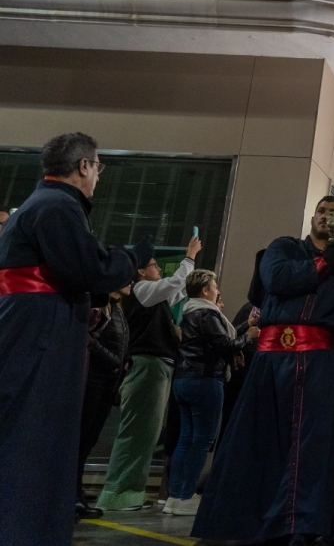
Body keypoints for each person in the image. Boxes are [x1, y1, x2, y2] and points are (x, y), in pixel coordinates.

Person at [193, 196, 334, 546]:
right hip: (271, 360)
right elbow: (278, 278)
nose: (328, 218)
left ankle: (304, 524)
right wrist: (327, 262)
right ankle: (249, 518)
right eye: (323, 212)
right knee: (261, 438)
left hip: (320, 359)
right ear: (312, 218)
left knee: (313, 446)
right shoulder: (284, 247)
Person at [0, 132, 147, 546]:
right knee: (34, 431)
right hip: (41, 332)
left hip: (39, 325)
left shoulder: (43, 204)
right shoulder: (57, 205)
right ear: (83, 166)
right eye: (97, 166)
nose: (98, 175)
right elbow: (89, 271)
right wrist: (131, 257)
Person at [97, 234, 201, 511]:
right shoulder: (141, 290)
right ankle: (118, 493)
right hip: (148, 366)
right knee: (137, 432)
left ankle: (129, 492)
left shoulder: (151, 297)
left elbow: (178, 289)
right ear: (141, 271)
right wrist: (189, 258)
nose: (158, 270)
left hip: (157, 367)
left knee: (146, 433)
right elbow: (175, 283)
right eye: (154, 265)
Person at [164, 270, 259, 516]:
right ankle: (186, 496)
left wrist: (243, 326)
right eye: (215, 286)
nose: (217, 291)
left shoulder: (191, 312)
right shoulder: (207, 313)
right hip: (204, 381)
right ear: (205, 291)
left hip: (184, 379)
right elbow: (225, 345)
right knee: (202, 439)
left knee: (186, 438)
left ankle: (175, 496)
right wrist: (248, 337)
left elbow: (218, 337)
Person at [76, 283, 133, 519]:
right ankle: (73, 496)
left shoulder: (117, 308)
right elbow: (88, 337)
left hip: (107, 381)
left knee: (88, 439)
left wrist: (122, 361)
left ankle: (75, 494)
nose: (130, 282)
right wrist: (113, 360)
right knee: (81, 439)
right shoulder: (102, 306)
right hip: (94, 380)